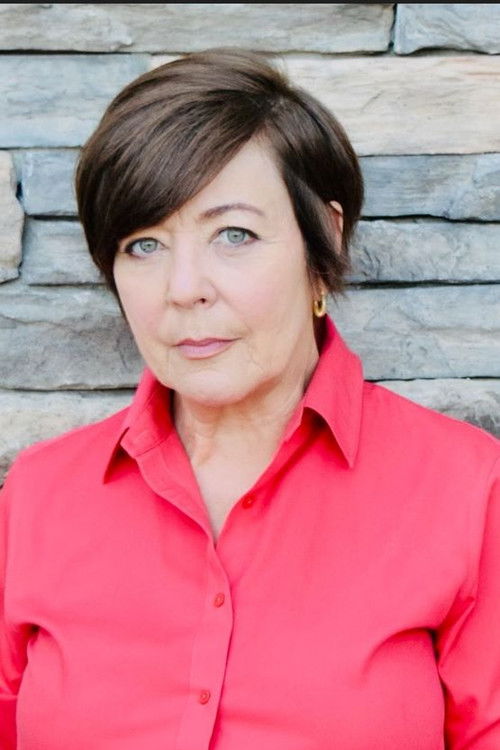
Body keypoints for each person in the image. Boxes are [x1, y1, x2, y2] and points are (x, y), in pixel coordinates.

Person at [1, 47, 499, 750]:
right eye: (143, 245)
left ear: (323, 240)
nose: (184, 288)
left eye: (233, 234)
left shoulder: (465, 487)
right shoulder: (38, 494)